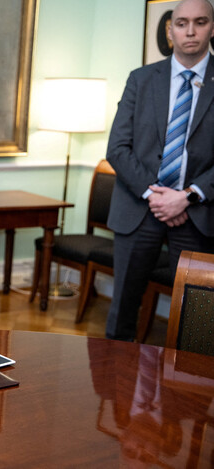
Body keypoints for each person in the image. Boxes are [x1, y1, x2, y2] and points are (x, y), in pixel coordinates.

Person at [106, 0, 214, 341]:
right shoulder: (140, 79)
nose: (191, 31)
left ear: (212, 26)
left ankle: (192, 392)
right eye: (181, 23)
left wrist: (187, 197)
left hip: (197, 215)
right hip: (139, 210)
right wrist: (158, 196)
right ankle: (112, 394)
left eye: (200, 22)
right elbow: (117, 148)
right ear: (170, 30)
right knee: (122, 311)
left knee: (198, 321)